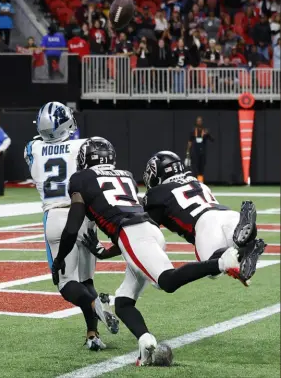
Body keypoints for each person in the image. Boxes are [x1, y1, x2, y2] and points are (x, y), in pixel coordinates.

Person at [52, 137, 241, 366]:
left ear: (84, 158)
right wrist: (103, 252)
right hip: (146, 231)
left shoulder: (80, 179)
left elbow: (73, 226)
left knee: (167, 281)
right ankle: (146, 342)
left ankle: (222, 262)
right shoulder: (126, 176)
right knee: (123, 301)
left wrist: (60, 258)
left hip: (132, 234)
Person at [24, 102, 119, 351]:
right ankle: (92, 334)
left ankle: (95, 314)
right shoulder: (84, 145)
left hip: (56, 215)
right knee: (86, 281)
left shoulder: (32, 148)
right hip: (84, 215)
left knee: (67, 284)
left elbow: (39, 151)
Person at [142, 151, 266, 285]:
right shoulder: (195, 181)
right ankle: (247, 244)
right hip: (227, 214)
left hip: (205, 224)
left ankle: (245, 248)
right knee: (232, 245)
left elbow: (145, 227)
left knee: (212, 267)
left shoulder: (155, 195)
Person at [185, 116, 214, 183]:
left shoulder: (205, 131)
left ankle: (201, 183)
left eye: (200, 121)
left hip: (202, 153)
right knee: (195, 168)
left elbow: (212, 139)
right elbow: (189, 142)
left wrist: (208, 134)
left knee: (201, 169)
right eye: (198, 121)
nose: (199, 122)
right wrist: (187, 153)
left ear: (202, 122)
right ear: (196, 122)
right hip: (195, 153)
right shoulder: (193, 131)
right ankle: (195, 183)